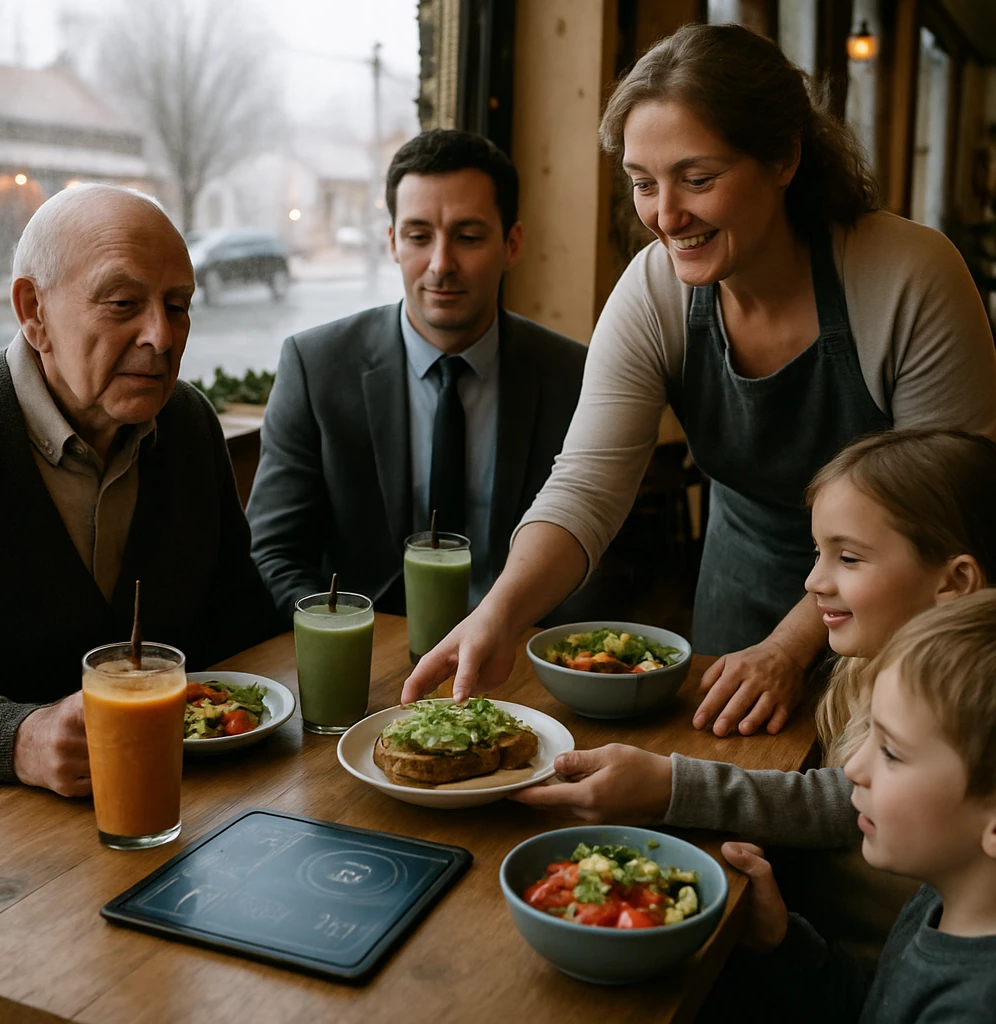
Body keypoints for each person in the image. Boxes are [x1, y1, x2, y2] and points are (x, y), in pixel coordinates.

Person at [402, 24, 996, 736]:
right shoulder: (655, 291)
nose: (666, 216)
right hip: (737, 590)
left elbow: (943, 514)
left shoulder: (909, 277)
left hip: (896, 617)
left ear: (783, 157)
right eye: (643, 184)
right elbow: (586, 485)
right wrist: (496, 615)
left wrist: (789, 645)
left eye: (698, 179)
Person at [513, 429, 996, 956]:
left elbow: (836, 802)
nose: (813, 581)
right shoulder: (864, 665)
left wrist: (669, 786)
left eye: (849, 558)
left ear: (954, 583)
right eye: (818, 553)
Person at [0, 184, 276, 796]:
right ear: (33, 311)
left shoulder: (188, 425)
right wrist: (14, 739)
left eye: (179, 305)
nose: (161, 338)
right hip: (4, 850)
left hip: (185, 805)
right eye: (121, 303)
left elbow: (240, 623)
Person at [247, 129, 588, 621]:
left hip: (520, 656)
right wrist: (340, 634)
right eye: (418, 236)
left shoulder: (573, 378)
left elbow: (600, 561)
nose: (440, 265)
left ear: (512, 244)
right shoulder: (316, 366)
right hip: (363, 653)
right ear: (392, 242)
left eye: (468, 237)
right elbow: (273, 553)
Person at [720, 590, 996, 1023]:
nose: (854, 769)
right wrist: (784, 942)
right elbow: (874, 1005)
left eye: (892, 752)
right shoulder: (941, 899)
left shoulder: (971, 1008)